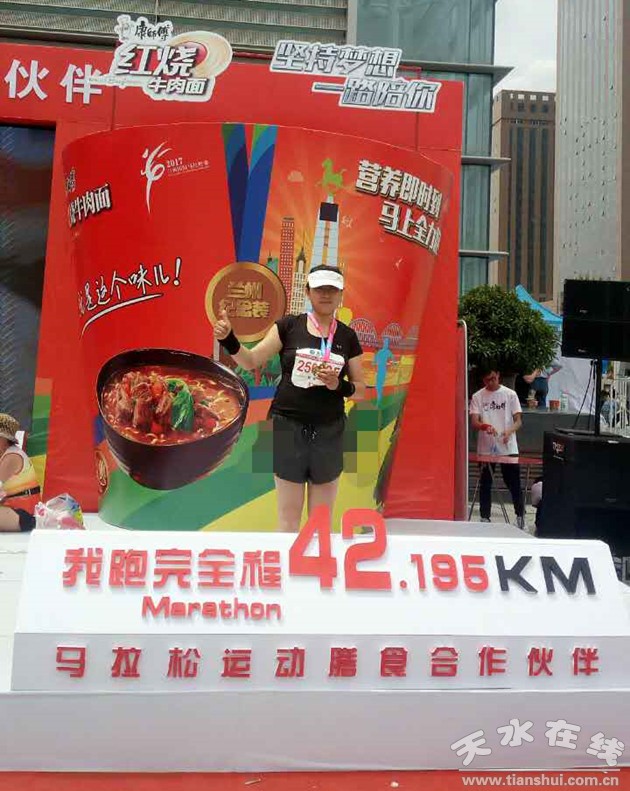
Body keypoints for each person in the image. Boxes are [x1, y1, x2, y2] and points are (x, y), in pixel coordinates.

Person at [213, 265, 365, 532]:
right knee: (288, 519)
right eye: (319, 288)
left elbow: (361, 389)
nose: (325, 294)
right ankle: (286, 561)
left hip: (329, 431)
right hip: (287, 427)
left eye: (332, 289)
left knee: (321, 521)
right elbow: (251, 361)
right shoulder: (288, 327)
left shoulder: (347, 337)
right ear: (307, 292)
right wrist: (229, 340)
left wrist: (338, 385)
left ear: (341, 294)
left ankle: (317, 560)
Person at [469, 368, 525, 529]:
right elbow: (475, 421)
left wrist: (509, 431)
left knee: (513, 482)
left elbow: (518, 421)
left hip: (508, 445)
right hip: (487, 446)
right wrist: (485, 426)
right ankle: (485, 517)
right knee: (485, 482)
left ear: (498, 375)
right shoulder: (478, 396)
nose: (491, 382)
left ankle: (520, 516)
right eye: (487, 380)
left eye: (493, 378)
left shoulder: (510, 394)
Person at [0, 414, 40, 532]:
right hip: (19, 511)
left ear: (3, 439)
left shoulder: (12, 457)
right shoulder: (9, 454)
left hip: (23, 513)